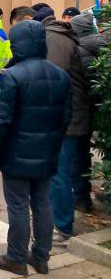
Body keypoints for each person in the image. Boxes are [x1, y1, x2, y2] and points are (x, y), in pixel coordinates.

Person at [0, 21, 72, 276]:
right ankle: (41, 256)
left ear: (18, 45)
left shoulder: (14, 76)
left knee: (18, 205)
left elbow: (1, 119)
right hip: (48, 150)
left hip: (16, 152)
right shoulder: (61, 75)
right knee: (43, 203)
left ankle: (16, 257)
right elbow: (66, 116)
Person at [33, 4, 89, 241]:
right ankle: (67, 214)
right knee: (65, 170)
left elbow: (51, 80)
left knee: (59, 172)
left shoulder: (54, 39)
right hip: (72, 114)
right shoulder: (60, 37)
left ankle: (63, 225)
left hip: (66, 118)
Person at [72, 13, 107, 212]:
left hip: (82, 112)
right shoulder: (101, 47)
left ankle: (81, 199)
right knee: (83, 156)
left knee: (78, 158)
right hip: (97, 112)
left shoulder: (80, 52)